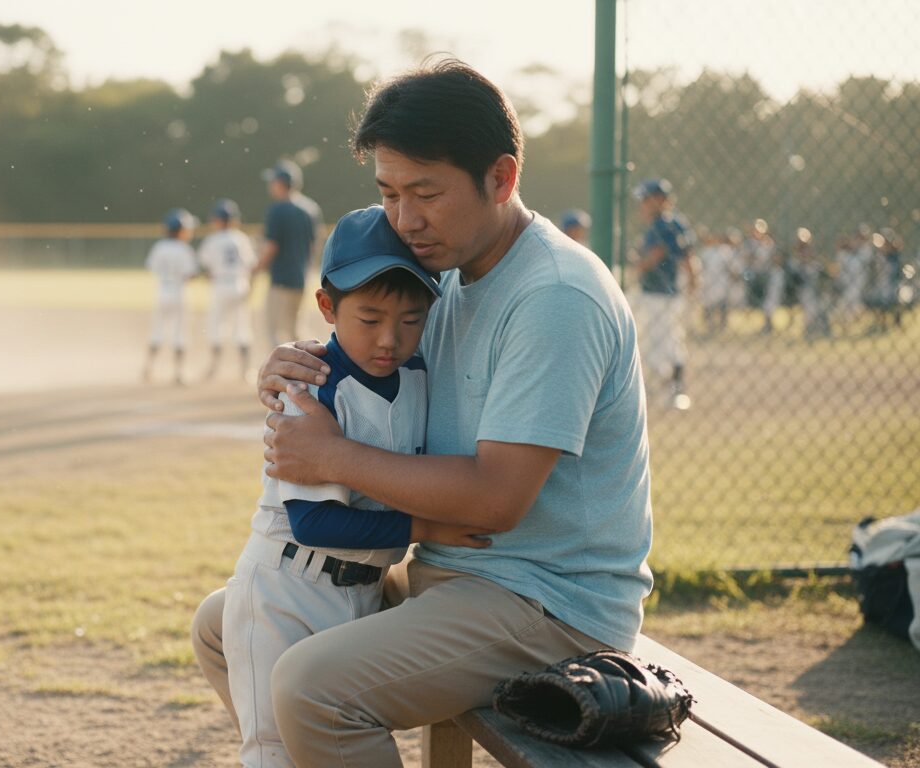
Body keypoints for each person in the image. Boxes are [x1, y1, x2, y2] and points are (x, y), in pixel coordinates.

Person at [191, 59, 653, 768]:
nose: (406, 220)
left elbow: (496, 501)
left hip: (547, 605)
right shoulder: (445, 277)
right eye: (389, 194)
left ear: (501, 178)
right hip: (453, 574)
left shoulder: (556, 294)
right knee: (223, 624)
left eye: (426, 194)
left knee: (314, 689)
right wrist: (295, 363)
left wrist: (332, 458)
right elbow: (372, 354)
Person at [225, 205, 471, 767]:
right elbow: (317, 522)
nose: (390, 338)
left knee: (328, 740)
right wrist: (428, 525)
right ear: (327, 308)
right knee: (274, 752)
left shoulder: (416, 374)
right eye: (369, 318)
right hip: (284, 589)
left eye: (411, 320)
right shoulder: (309, 386)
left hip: (364, 590)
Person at [632, 177, 696, 409]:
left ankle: (671, 389)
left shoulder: (663, 225)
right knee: (669, 340)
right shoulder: (671, 223)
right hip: (666, 291)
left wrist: (637, 265)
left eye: (646, 200)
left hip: (659, 292)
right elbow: (688, 257)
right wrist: (692, 282)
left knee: (662, 342)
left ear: (660, 200)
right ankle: (670, 388)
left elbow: (656, 255)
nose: (642, 205)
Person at [257, 159, 323, 348]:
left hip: (280, 280)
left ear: (280, 183)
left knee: (274, 331)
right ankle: (310, 364)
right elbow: (314, 245)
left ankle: (280, 373)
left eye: (273, 181)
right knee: (295, 330)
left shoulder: (278, 209)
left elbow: (271, 246)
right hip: (300, 278)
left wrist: (256, 269)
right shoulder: (310, 209)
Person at [199, 198, 259, 380]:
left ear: (218, 220)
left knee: (216, 325)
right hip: (239, 284)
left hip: (220, 285)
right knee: (242, 326)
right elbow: (251, 265)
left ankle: (213, 369)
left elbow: (205, 266)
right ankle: (246, 371)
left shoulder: (212, 239)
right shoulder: (241, 238)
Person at [143, 208, 199, 385]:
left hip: (162, 291)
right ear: (180, 230)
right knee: (179, 332)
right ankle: (178, 373)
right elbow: (191, 274)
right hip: (178, 292)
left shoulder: (159, 246)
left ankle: (148, 368)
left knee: (157, 330)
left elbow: (152, 267)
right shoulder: (184, 248)